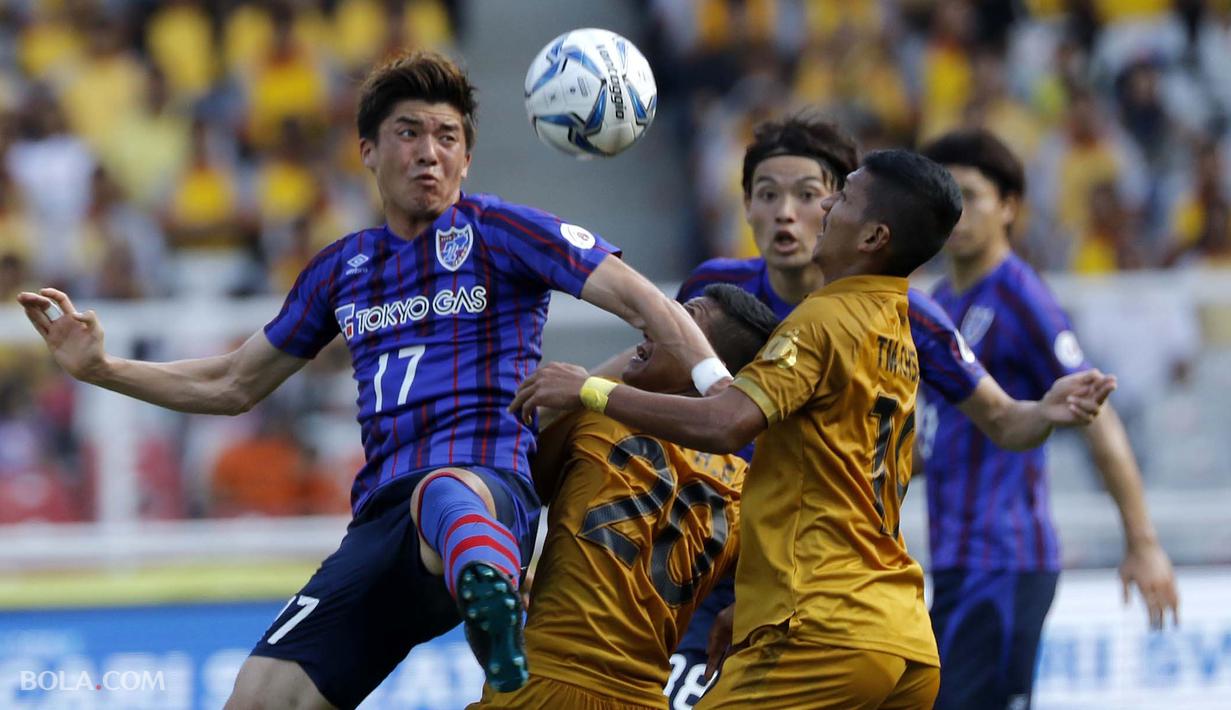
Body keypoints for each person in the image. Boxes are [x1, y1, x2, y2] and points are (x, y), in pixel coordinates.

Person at [16, 51, 730, 710]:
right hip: (378, 528)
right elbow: (232, 383)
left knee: (442, 490)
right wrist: (102, 369)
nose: (429, 152)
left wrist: (717, 385)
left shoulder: (506, 233)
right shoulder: (340, 269)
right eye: (408, 133)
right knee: (258, 696)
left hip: (485, 492)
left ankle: (496, 602)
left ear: (467, 157)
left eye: (447, 137)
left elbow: (644, 301)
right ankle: (479, 589)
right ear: (367, 151)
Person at [644, 114, 1119, 709]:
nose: (793, 213)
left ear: (867, 225)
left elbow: (723, 420)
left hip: (815, 604)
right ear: (745, 205)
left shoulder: (876, 317)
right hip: (770, 583)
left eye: (818, 196)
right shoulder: (717, 290)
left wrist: (589, 393)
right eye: (768, 194)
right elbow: (649, 369)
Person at [515, 150, 1020, 707]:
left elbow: (728, 422)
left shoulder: (824, 319)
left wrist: (593, 391)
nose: (826, 205)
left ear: (874, 236)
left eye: (842, 196)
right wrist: (751, 603)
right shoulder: (895, 330)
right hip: (903, 640)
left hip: (822, 630)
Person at [917, 128, 1179, 710]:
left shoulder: (1020, 296)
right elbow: (937, 437)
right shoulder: (939, 302)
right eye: (944, 197)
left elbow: (1096, 413)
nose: (956, 213)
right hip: (955, 560)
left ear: (1009, 207)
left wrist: (1143, 541)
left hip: (1006, 561)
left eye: (972, 195)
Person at [472, 284, 778, 710]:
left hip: (544, 683)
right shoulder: (750, 490)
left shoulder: (594, 412)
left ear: (706, 362)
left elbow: (511, 490)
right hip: (645, 697)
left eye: (682, 320)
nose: (657, 322)